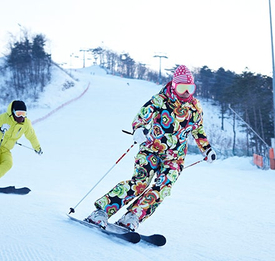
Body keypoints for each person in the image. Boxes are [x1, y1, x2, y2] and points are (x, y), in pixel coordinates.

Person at [85, 65, 216, 231]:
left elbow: (198, 130)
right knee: (140, 182)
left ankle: (133, 216)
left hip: (175, 158)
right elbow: (141, 117)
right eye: (182, 88)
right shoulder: (160, 100)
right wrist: (139, 129)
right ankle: (101, 212)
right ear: (174, 86)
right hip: (151, 150)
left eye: (190, 88)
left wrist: (207, 149)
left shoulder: (195, 107)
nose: (186, 93)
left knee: (163, 187)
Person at [0, 100, 43, 179]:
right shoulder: (3, 118)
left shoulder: (26, 124)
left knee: (8, 163)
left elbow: (31, 136)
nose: (21, 117)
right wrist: (0, 130)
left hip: (5, 150)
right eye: (18, 114)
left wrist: (37, 147)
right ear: (13, 112)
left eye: (23, 114)